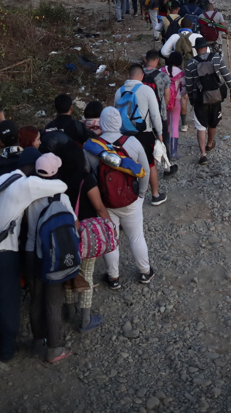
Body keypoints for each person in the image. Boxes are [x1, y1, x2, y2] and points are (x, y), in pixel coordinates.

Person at [0, 150, 68, 365]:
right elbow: (62, 186)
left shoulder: (4, 178)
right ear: (31, 167)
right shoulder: (26, 185)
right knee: (7, 303)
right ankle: (7, 351)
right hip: (4, 253)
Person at [54, 138, 110, 332]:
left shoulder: (55, 180)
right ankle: (85, 319)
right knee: (87, 274)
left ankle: (69, 310)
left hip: (64, 234)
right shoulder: (86, 179)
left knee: (70, 271)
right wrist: (109, 226)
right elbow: (99, 207)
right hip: (86, 235)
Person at [25, 153, 74, 363]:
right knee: (53, 302)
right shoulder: (61, 197)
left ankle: (37, 342)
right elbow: (73, 223)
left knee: (35, 298)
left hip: (32, 253)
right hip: (56, 257)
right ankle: (54, 349)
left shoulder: (28, 195)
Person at [97, 107, 154, 288]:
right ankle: (145, 271)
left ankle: (113, 277)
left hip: (105, 202)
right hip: (130, 199)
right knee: (136, 236)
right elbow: (144, 171)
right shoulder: (133, 143)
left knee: (111, 239)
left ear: (102, 122)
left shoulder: (93, 146)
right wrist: (141, 194)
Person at [113, 64, 169, 204]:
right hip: (144, 133)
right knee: (150, 164)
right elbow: (155, 115)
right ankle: (155, 195)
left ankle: (130, 197)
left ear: (128, 75)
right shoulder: (146, 90)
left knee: (128, 165)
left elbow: (115, 114)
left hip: (124, 136)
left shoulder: (119, 92)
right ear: (142, 76)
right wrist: (160, 134)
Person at [184, 37, 231, 165]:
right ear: (206, 47)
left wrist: (191, 99)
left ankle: (203, 155)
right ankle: (209, 144)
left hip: (200, 99)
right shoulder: (217, 59)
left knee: (201, 127)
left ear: (196, 49)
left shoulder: (190, 64)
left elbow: (189, 85)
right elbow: (226, 76)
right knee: (213, 123)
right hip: (216, 96)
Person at [161, 51, 188, 161]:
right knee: (175, 125)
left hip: (164, 101)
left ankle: (165, 150)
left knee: (165, 125)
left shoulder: (161, 71)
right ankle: (173, 152)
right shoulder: (181, 73)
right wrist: (179, 96)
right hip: (176, 101)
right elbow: (185, 89)